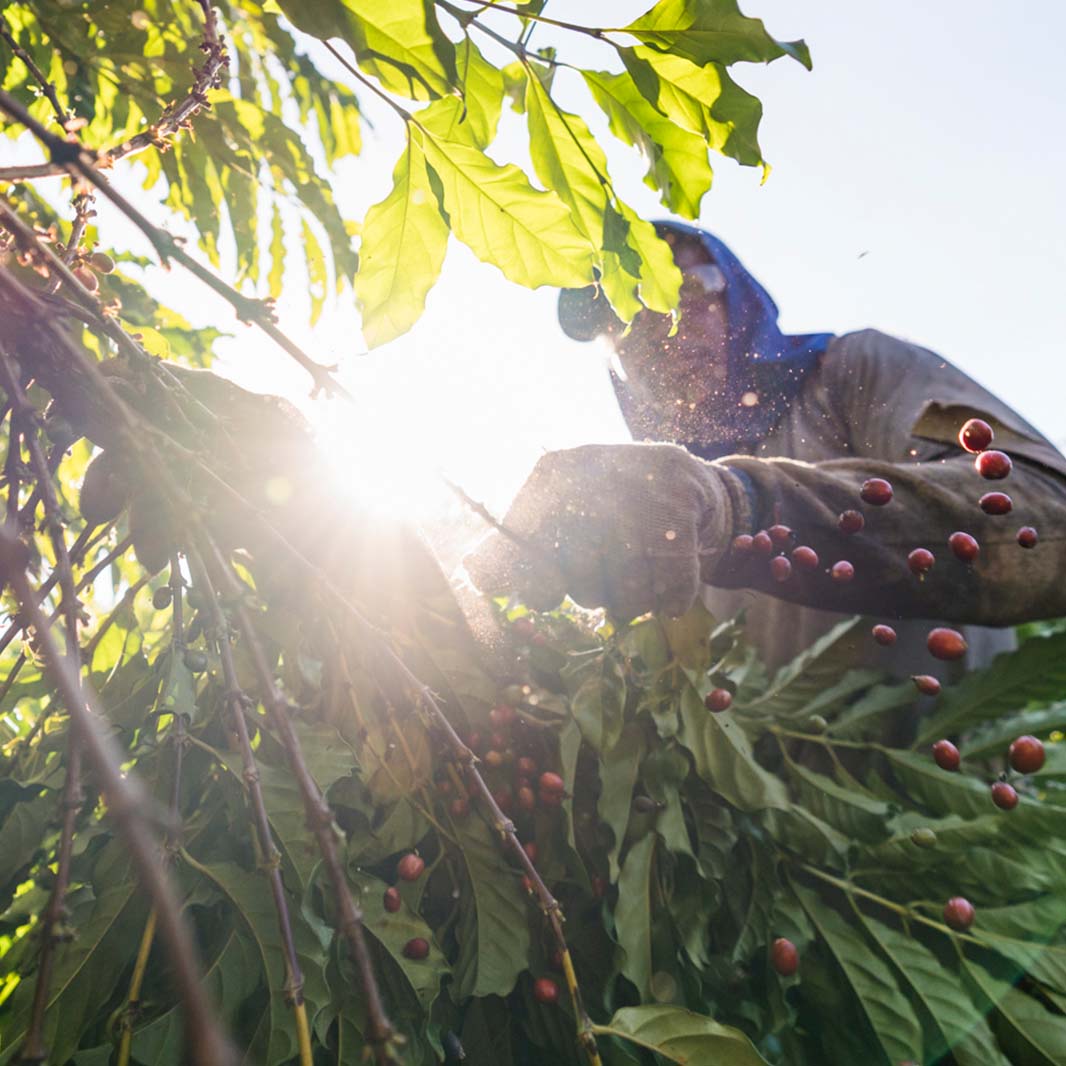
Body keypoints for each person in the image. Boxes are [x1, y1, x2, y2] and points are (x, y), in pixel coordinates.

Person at [465, 220, 1066, 682]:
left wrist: (740, 506)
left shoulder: (853, 375)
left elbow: (1046, 510)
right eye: (626, 318)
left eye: (686, 288)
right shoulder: (647, 508)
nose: (661, 328)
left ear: (740, 297)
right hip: (786, 830)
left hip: (960, 794)